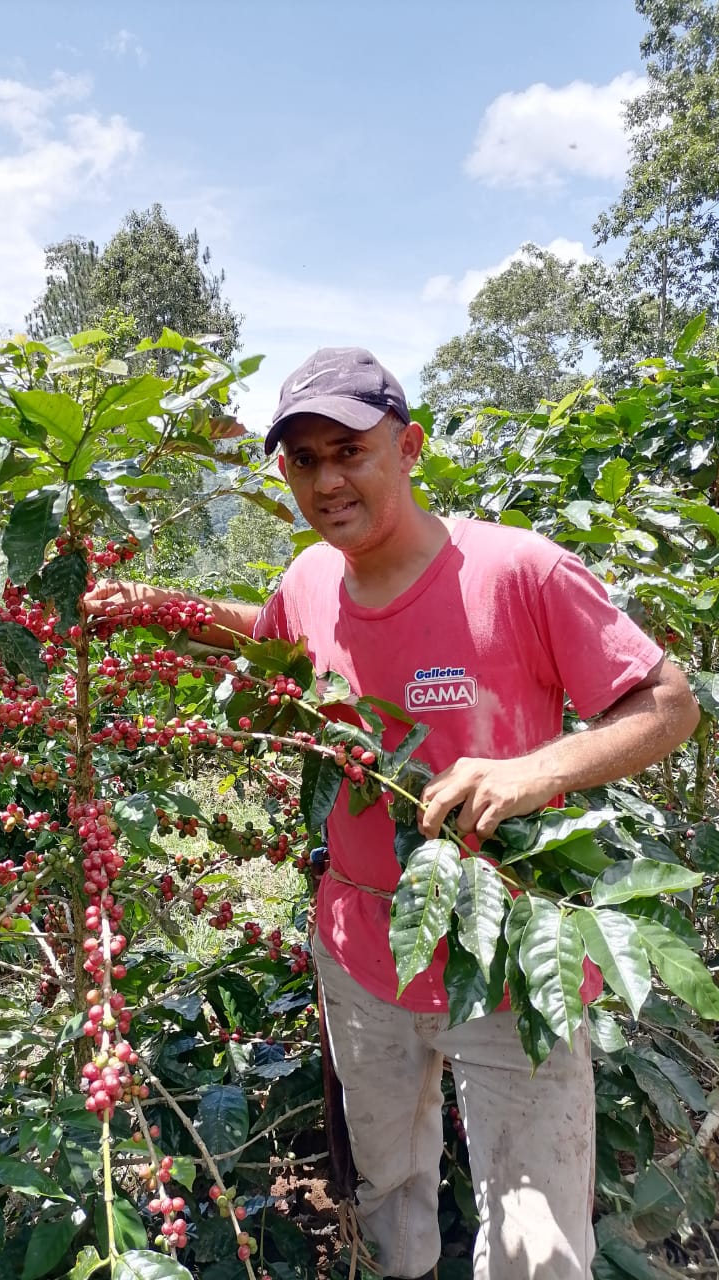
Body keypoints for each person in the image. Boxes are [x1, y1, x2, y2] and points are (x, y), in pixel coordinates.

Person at [87, 347, 700, 1280]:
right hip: (364, 959)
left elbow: (669, 703)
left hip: (509, 964)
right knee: (386, 1195)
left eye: (350, 451)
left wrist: (536, 772)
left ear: (408, 447)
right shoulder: (305, 583)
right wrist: (165, 613)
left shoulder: (519, 570)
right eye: (302, 461)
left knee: (538, 1246)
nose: (327, 480)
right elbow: (268, 653)